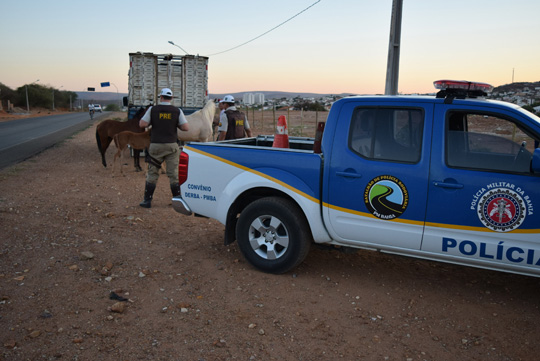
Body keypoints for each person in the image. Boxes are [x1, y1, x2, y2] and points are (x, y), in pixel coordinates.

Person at [138, 88, 189, 208]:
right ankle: (177, 201)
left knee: (152, 173)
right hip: (171, 146)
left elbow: (142, 124)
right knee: (173, 174)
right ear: (171, 98)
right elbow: (186, 128)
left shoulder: (153, 109)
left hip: (156, 145)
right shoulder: (177, 111)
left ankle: (147, 201)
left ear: (160, 97)